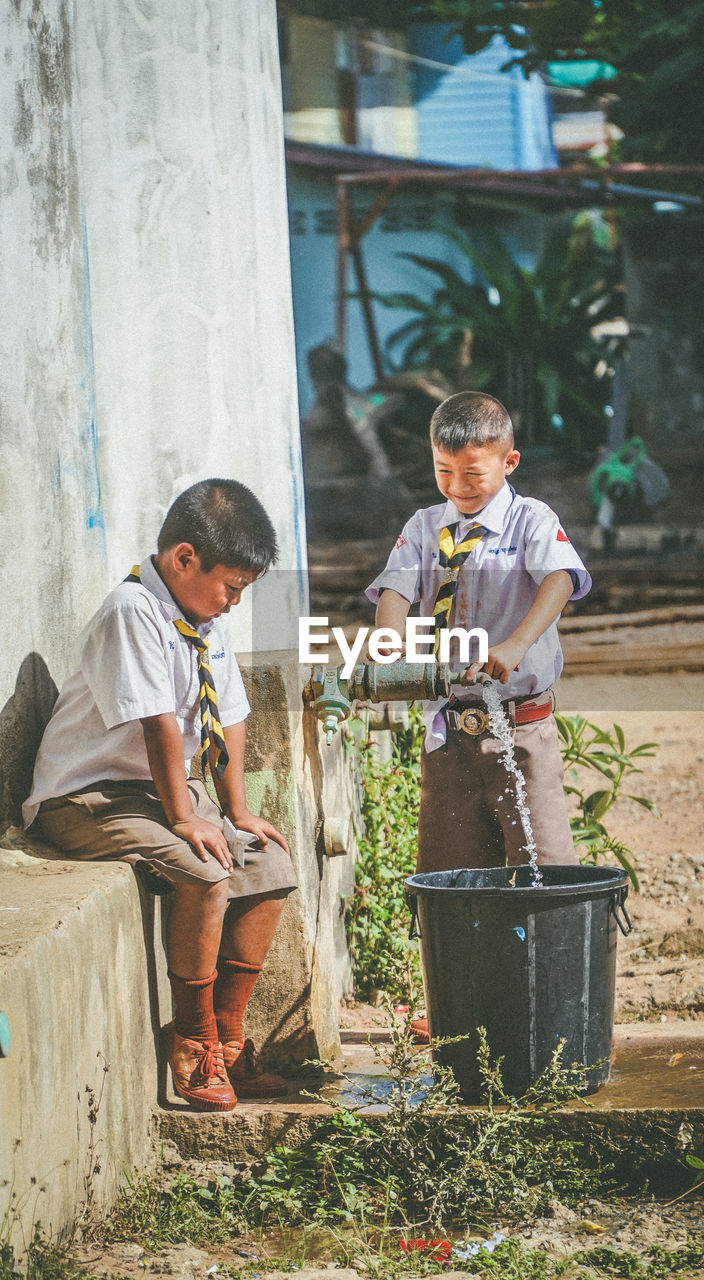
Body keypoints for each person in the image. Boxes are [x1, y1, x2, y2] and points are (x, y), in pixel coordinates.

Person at [23, 478, 298, 1112]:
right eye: (230, 587)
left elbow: (229, 715)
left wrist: (235, 811)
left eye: (242, 591)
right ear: (183, 559)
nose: (233, 602)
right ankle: (192, 1040)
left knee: (269, 862)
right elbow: (158, 723)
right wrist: (183, 816)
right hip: (86, 797)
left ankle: (227, 1038)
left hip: (159, 789)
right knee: (205, 873)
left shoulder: (201, 616)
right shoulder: (133, 610)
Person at [366, 390, 592, 877]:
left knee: (544, 869)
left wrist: (516, 644)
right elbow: (396, 587)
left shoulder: (530, 520)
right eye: (443, 471)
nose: (457, 486)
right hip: (449, 735)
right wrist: (388, 642)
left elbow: (561, 578)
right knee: (451, 875)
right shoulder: (424, 527)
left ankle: (546, 953)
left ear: (509, 461)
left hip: (522, 730)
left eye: (473, 473)